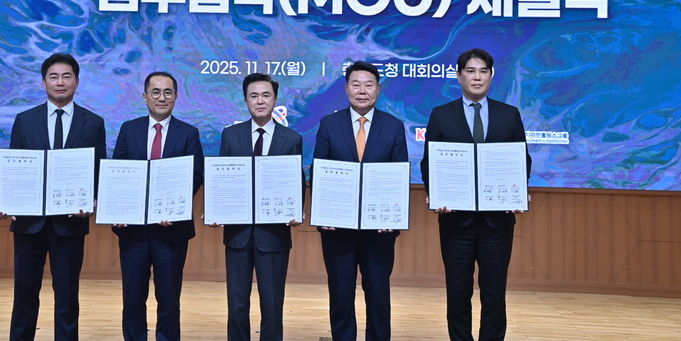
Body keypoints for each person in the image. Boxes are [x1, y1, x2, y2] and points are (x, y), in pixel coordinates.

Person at [420, 48, 532, 341]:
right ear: (459, 76)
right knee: (458, 292)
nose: (477, 77)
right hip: (456, 221)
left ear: (491, 76)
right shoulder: (442, 115)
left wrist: (518, 192)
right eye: (470, 71)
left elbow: (522, 160)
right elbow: (429, 162)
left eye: (483, 71)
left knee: (494, 292)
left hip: (498, 222)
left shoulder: (509, 114)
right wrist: (435, 193)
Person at [0, 53, 107, 341]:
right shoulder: (25, 120)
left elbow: (98, 170)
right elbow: (14, 167)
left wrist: (93, 200)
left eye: (66, 76)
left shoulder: (93, 122)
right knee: (24, 295)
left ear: (77, 81)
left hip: (70, 223)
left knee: (67, 298)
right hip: (28, 223)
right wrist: (4, 199)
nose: (60, 82)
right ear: (43, 82)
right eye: (54, 76)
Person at [313, 61, 408, 341]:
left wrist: (393, 218)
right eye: (356, 84)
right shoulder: (329, 124)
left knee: (378, 296)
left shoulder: (393, 126)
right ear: (346, 89)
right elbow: (318, 171)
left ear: (378, 89)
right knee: (340, 295)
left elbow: (399, 174)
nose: (362, 91)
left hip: (379, 230)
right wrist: (322, 214)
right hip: (338, 229)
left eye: (369, 85)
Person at [111, 71, 205, 341]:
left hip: (171, 231)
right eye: (155, 92)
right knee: (132, 299)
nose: (161, 98)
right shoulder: (129, 129)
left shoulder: (188, 133)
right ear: (145, 97)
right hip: (134, 230)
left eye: (167, 92)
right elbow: (118, 173)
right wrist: (119, 210)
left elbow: (195, 175)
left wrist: (173, 208)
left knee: (169, 299)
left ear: (176, 97)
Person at [217, 73, 304, 341]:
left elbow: (297, 181)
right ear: (245, 100)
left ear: (275, 100)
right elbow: (223, 179)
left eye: (266, 95)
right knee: (237, 305)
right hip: (238, 234)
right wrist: (217, 208)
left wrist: (296, 210)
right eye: (253, 96)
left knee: (273, 305)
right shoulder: (231, 135)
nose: (260, 101)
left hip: (274, 235)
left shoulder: (291, 138)